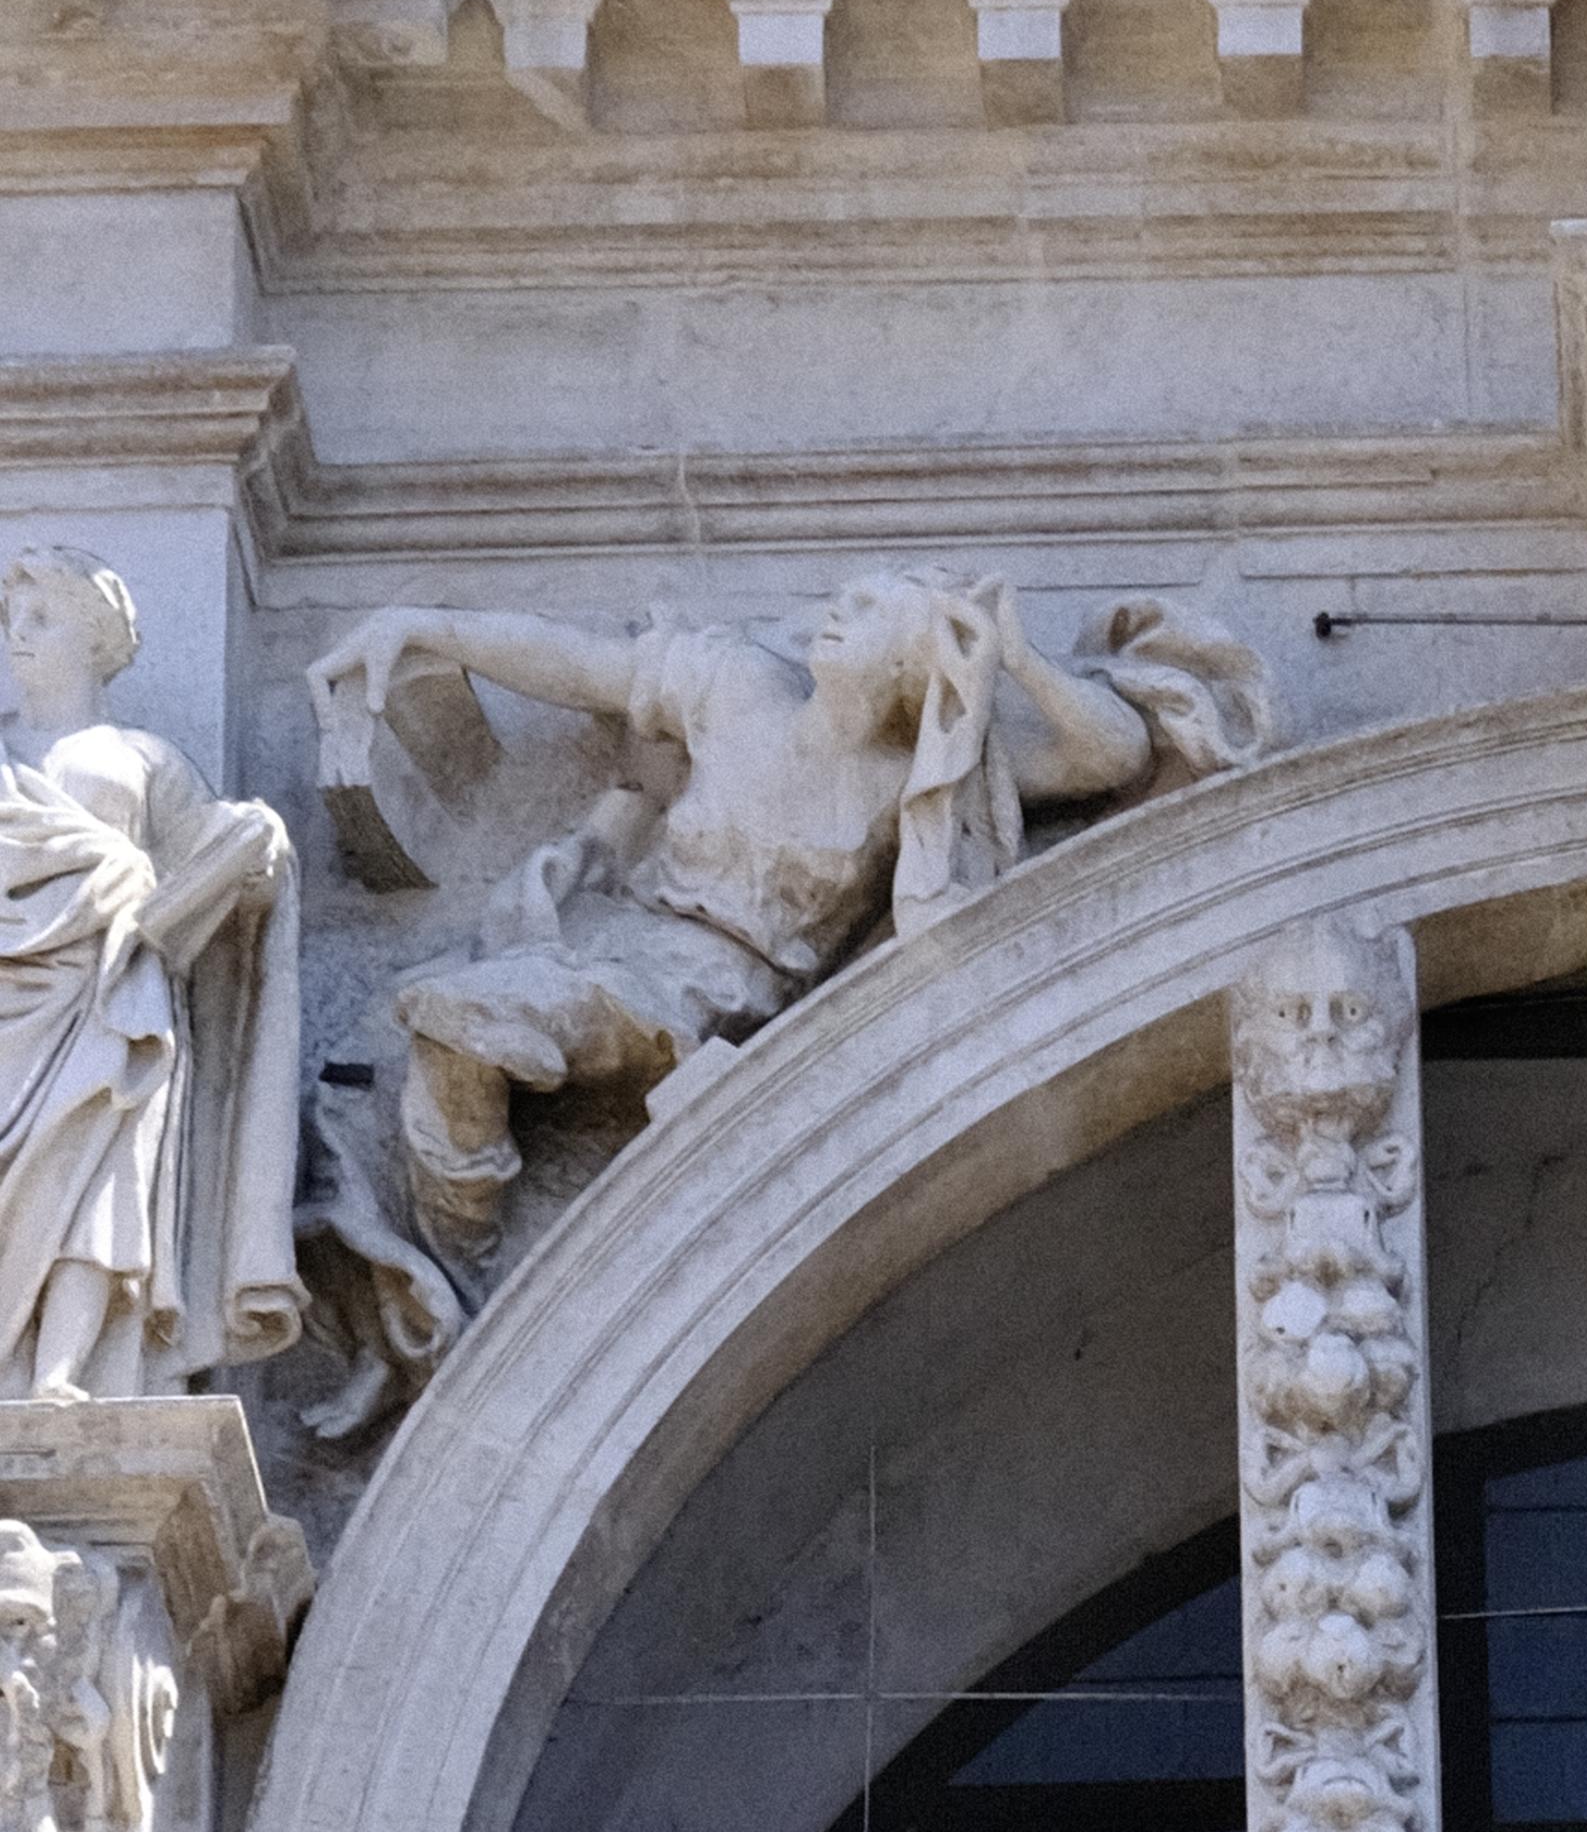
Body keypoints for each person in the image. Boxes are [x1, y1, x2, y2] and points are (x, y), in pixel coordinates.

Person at [306, 572, 1265, 1257]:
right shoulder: (735, 688)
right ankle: (456, 1256)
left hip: (716, 993)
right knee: (449, 1024)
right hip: (614, 939)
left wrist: (1015, 656)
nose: (839, 611)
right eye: (842, 600)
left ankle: (457, 1259)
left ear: (910, 667)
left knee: (465, 1021)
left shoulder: (912, 780)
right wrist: (423, 625)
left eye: (872, 611)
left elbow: (1111, 754)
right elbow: (579, 667)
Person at [0, 545, 302, 1404]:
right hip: (12, 999)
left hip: (112, 996)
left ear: (97, 639)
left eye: (43, 619)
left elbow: (210, 856)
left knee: (103, 1185)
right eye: (13, 621)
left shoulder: (140, 758)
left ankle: (61, 1369)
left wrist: (259, 846)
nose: (19, 637)